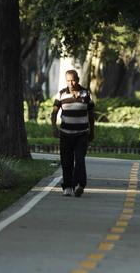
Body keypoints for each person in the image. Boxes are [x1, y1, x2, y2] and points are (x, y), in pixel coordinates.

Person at [51, 69, 95, 197]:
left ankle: (80, 184)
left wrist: (92, 131)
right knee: (66, 161)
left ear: (78, 79)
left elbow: (91, 115)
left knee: (80, 159)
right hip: (65, 134)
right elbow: (54, 112)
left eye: (73, 80)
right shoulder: (61, 94)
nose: (71, 83)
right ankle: (68, 186)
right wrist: (54, 127)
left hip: (82, 134)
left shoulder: (86, 94)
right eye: (68, 80)